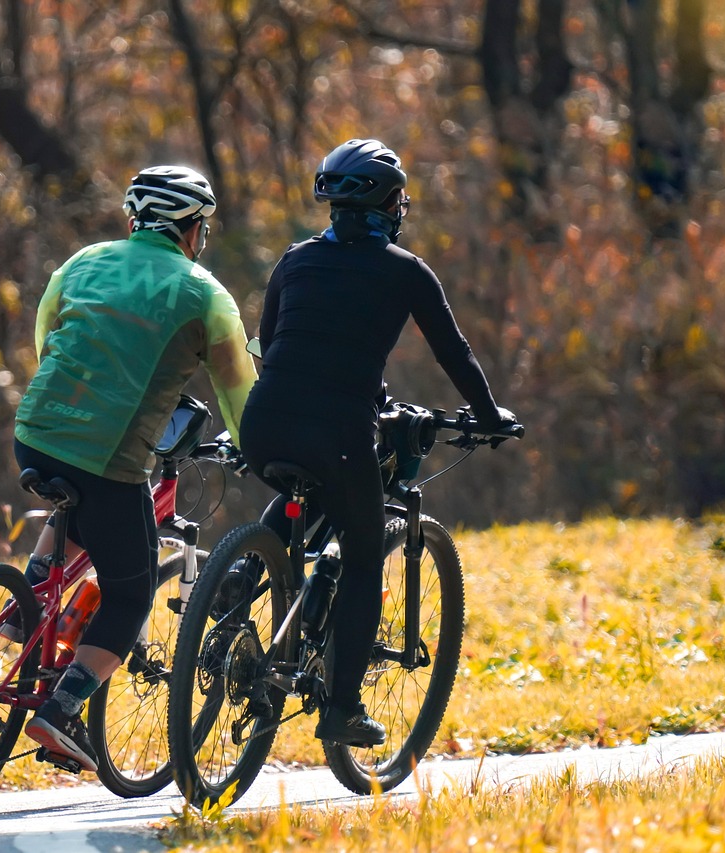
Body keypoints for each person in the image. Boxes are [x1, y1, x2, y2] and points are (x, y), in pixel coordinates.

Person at [239, 139, 518, 746]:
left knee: (302, 495)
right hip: (338, 433)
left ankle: (236, 591)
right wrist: (490, 416)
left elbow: (272, 342)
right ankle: (342, 709)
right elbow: (455, 353)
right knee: (364, 555)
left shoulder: (293, 260)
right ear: (391, 203)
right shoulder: (404, 270)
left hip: (263, 423)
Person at [12, 165, 256, 771]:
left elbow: (49, 338)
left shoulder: (83, 262)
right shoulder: (204, 293)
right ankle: (61, 711)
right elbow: (238, 388)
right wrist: (256, 444)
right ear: (192, 229)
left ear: (133, 219)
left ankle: (23, 608)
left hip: (34, 432)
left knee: (81, 509)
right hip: (109, 455)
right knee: (133, 592)